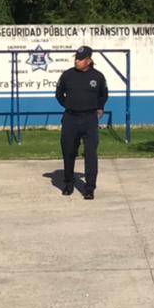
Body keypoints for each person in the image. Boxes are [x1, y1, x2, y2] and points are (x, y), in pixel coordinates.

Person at [55, 46, 108, 199]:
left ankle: (89, 188)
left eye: (80, 59)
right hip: (71, 118)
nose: (76, 61)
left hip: (89, 119)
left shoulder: (97, 76)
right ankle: (68, 183)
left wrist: (99, 107)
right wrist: (69, 105)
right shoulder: (67, 75)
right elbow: (59, 94)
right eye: (76, 58)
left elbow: (103, 95)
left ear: (89, 60)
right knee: (69, 151)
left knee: (90, 153)